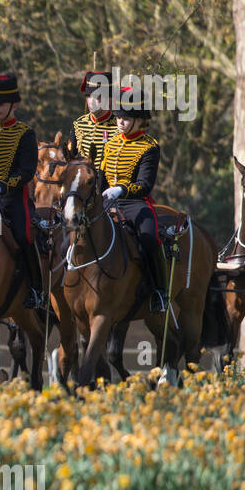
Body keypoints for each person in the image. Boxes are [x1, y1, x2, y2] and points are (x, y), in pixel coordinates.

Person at [0, 74, 43, 309]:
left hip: (15, 199)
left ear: (14, 105)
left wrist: (2, 186)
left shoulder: (25, 133)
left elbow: (26, 171)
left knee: (23, 237)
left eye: (1, 103)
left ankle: (36, 289)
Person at [101, 86, 168, 312]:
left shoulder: (149, 146)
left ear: (140, 120)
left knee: (149, 237)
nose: (120, 122)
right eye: (118, 117)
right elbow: (101, 178)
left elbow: (144, 185)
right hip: (105, 202)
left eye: (126, 117)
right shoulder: (110, 144)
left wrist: (121, 190)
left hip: (134, 204)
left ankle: (160, 290)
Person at [72, 70, 117, 172]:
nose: (91, 101)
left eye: (97, 97)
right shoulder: (79, 125)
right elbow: (70, 158)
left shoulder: (118, 127)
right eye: (89, 96)